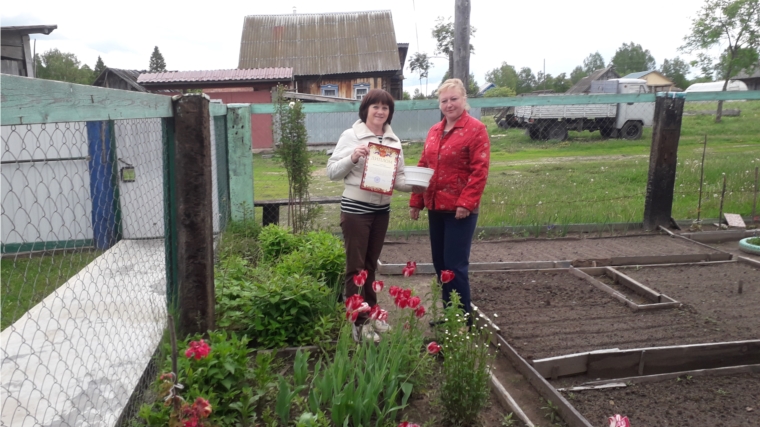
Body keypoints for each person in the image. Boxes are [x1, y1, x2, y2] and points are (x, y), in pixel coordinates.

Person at [327, 89, 416, 343]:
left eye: (385, 108)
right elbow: (332, 172)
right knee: (355, 267)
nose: (380, 111)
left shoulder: (393, 141)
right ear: (365, 109)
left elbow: (397, 180)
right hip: (356, 210)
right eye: (375, 106)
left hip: (381, 211)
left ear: (390, 113)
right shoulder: (351, 136)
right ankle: (358, 321)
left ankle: (372, 313)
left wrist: (418, 185)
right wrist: (353, 156)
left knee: (370, 265)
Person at [409, 78, 490, 325]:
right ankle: (450, 314)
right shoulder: (434, 131)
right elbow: (424, 166)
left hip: (459, 211)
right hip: (436, 206)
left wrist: (466, 203)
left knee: (455, 266)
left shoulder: (476, 129)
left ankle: (463, 319)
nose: (449, 104)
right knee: (440, 264)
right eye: (444, 100)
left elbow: (480, 170)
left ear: (464, 100)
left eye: (454, 99)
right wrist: (416, 200)